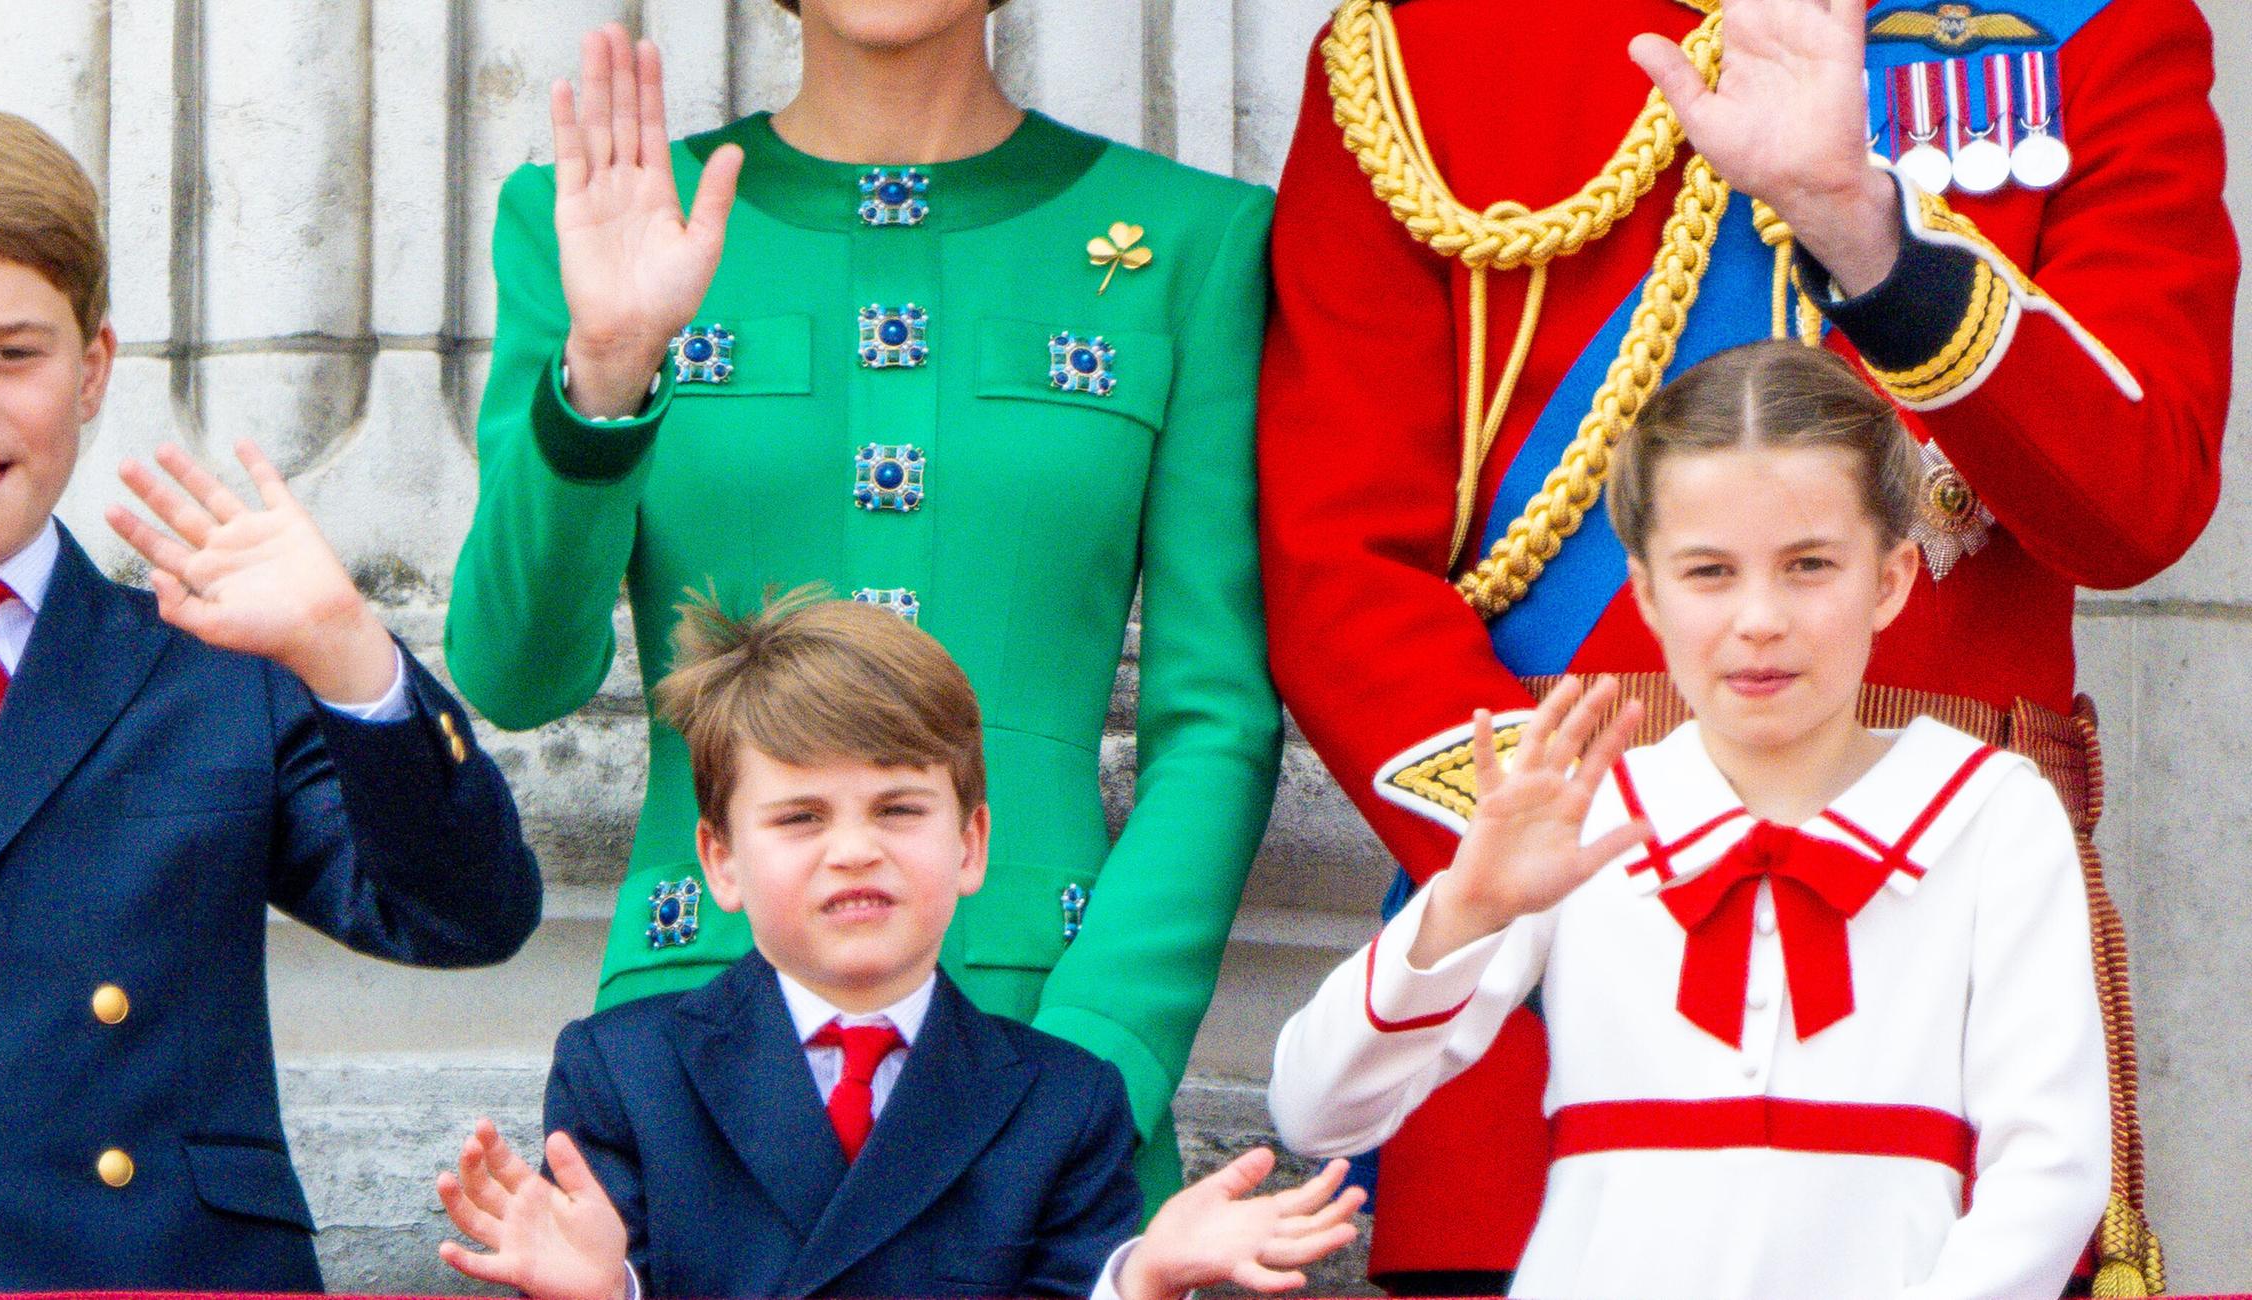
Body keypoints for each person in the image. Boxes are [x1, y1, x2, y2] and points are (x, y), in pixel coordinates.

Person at [1255, 0, 2232, 1285]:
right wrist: (1587, 875)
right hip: (1549, 1041)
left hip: (1942, 999)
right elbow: (1337, 572)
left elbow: (2134, 503)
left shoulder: (2093, 29)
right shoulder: (1423, 46)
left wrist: (1872, 241)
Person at [0, 99, 541, 1295]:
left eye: (13, 352)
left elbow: (464, 917)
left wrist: (345, 651)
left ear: (92, 368)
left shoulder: (219, 652)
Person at [446, 4, 1282, 1206]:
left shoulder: (1191, 240)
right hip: (695, 1063)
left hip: (1046, 1036)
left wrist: (1094, 1068)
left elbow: (1214, 721)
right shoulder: (591, 215)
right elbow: (517, 672)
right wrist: (607, 369)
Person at [1269, 341, 2111, 1299]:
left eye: (1809, 566)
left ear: (1892, 580)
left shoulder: (1992, 813)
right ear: (1646, 592)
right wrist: (1465, 904)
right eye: (1709, 572)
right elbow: (1317, 1108)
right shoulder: (1588, 818)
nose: (1759, 618)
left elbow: (2051, 1168)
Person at [434, 589, 1357, 1299]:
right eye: (799, 817)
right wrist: (610, 1291)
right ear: (719, 860)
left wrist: (1141, 1278)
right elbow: (599, 1261)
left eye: (898, 809)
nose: (854, 849)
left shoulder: (1063, 1102)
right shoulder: (626, 1071)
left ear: (970, 845)